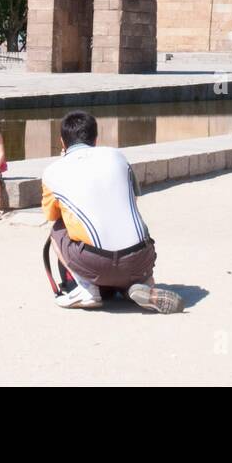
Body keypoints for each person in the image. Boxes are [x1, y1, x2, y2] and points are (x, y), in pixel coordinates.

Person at [41, 111, 183, 313]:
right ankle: (140, 284)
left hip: (95, 263)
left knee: (57, 229)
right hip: (140, 258)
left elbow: (51, 216)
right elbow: (132, 199)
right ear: (95, 139)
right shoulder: (117, 156)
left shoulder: (53, 171)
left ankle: (88, 290)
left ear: (62, 141)